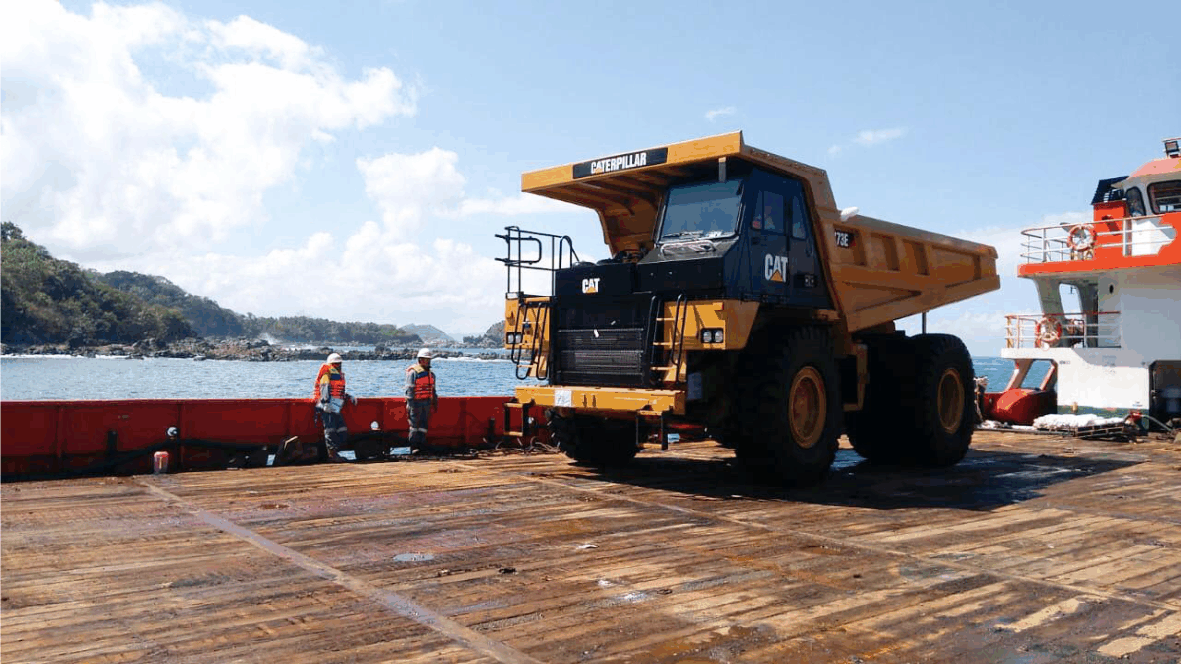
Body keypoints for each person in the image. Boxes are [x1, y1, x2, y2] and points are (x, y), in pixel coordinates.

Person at [312, 352, 357, 462]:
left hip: (336, 406)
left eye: (339, 363)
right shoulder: (326, 375)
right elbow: (324, 389)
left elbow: (339, 392)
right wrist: (325, 403)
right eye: (335, 364)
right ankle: (332, 455)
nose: (338, 366)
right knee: (330, 429)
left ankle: (335, 452)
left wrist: (349, 397)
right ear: (330, 364)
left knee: (342, 429)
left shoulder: (338, 376)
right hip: (326, 406)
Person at [405, 347, 438, 449]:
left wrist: (435, 402)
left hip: (427, 402)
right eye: (424, 359)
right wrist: (411, 404)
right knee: (414, 426)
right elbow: (410, 389)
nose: (426, 361)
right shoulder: (413, 373)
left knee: (424, 425)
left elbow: (433, 390)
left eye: (427, 359)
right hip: (415, 403)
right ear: (419, 360)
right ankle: (414, 447)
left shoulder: (431, 374)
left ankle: (421, 446)